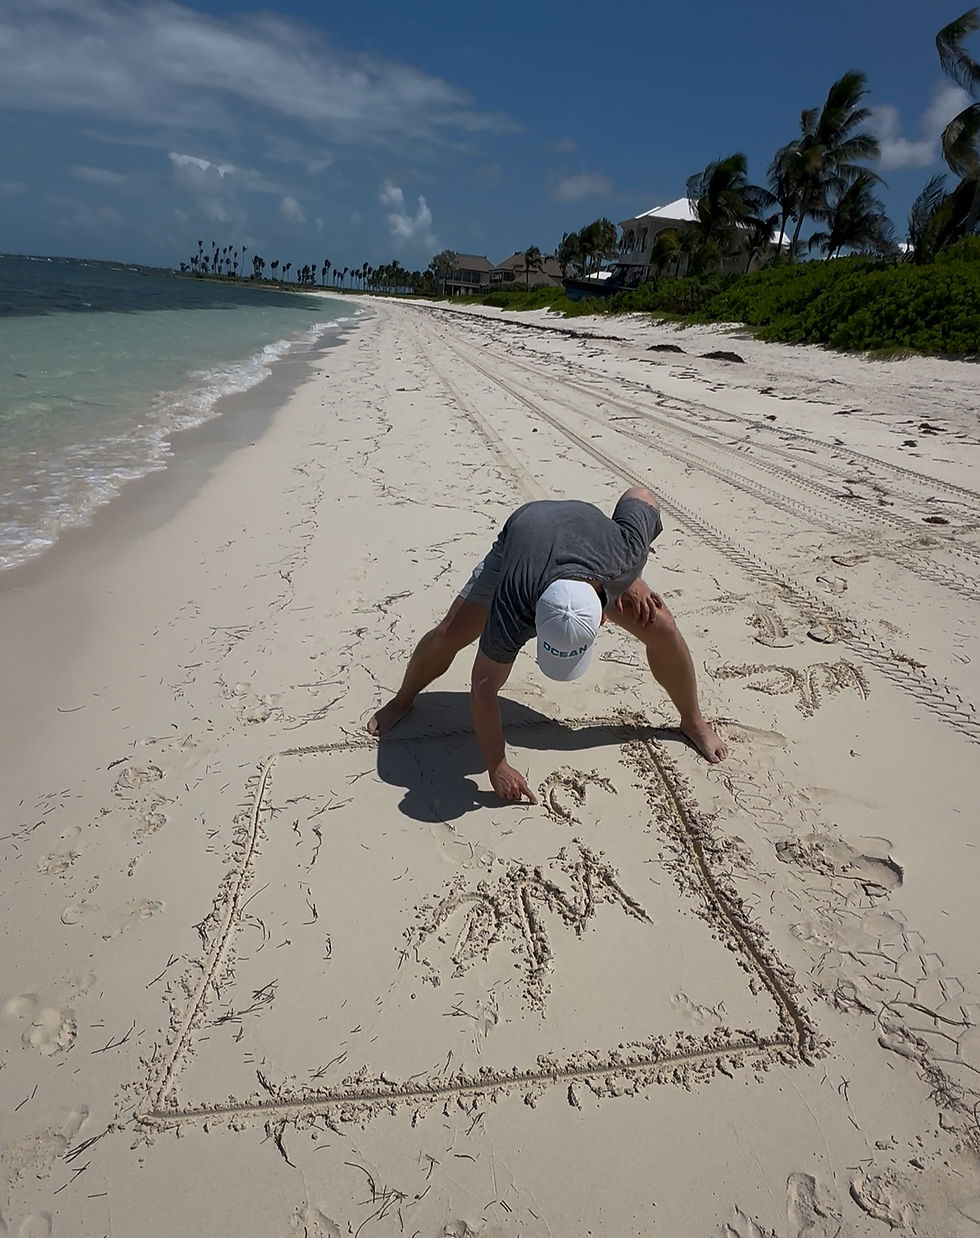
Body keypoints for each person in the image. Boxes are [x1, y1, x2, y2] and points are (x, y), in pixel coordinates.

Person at [368, 486, 728, 803]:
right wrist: (496, 765)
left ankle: (692, 721)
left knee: (662, 626)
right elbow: (482, 685)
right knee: (450, 634)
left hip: (598, 547)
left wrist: (631, 575)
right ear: (534, 620)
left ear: (603, 615)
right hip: (525, 532)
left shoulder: (627, 554)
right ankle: (403, 700)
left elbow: (641, 494)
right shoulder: (513, 603)